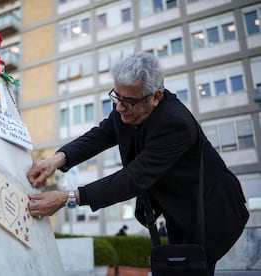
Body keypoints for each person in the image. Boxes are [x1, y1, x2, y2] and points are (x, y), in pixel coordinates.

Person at [27, 52, 250, 275]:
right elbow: (101, 134)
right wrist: (56, 160)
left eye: (128, 101)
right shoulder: (128, 103)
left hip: (211, 211)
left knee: (190, 269)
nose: (119, 108)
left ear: (155, 97)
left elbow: (133, 178)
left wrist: (68, 198)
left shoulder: (175, 124)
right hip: (177, 208)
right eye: (116, 97)